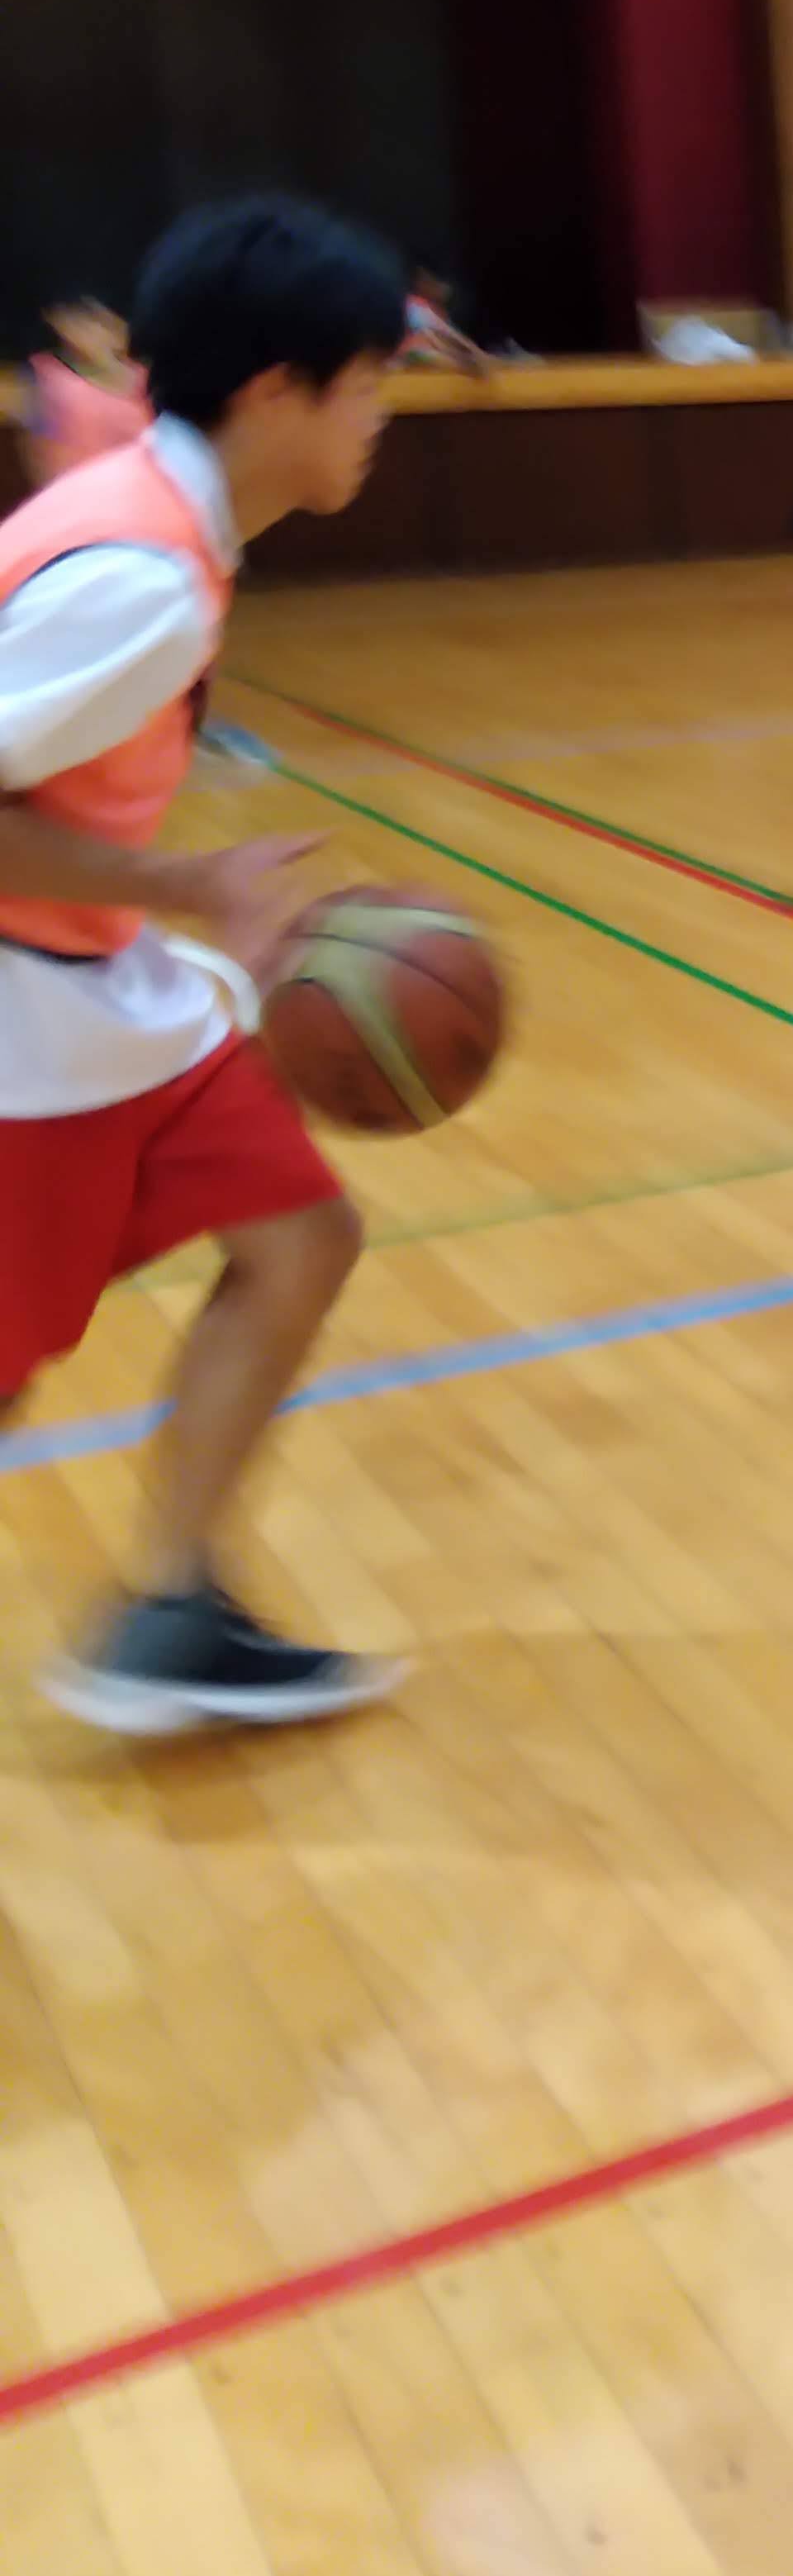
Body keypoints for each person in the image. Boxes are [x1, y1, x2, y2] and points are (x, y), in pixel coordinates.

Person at [1, 197, 409, 1734]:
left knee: (302, 1235)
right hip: (23, 1021)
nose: (382, 415)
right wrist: (188, 885)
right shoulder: (144, 581)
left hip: (91, 988)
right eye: (367, 382)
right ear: (274, 391)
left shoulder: (155, 497)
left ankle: (170, 1611)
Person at [17, 296, 151, 487]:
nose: (95, 334)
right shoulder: (53, 384)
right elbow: (40, 454)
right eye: (81, 327)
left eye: (104, 324)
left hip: (142, 483)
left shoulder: (144, 378)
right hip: (82, 485)